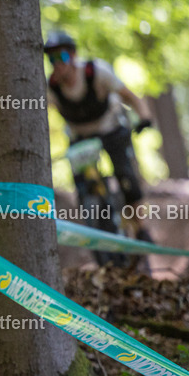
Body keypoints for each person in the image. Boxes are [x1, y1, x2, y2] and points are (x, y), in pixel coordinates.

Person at [43, 30, 153, 239]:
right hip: (80, 137)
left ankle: (141, 229)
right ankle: (95, 222)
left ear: (73, 56)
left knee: (125, 176)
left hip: (110, 128)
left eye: (62, 57)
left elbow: (130, 96)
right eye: (51, 59)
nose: (57, 64)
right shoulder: (50, 88)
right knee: (82, 184)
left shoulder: (97, 72)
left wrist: (144, 117)